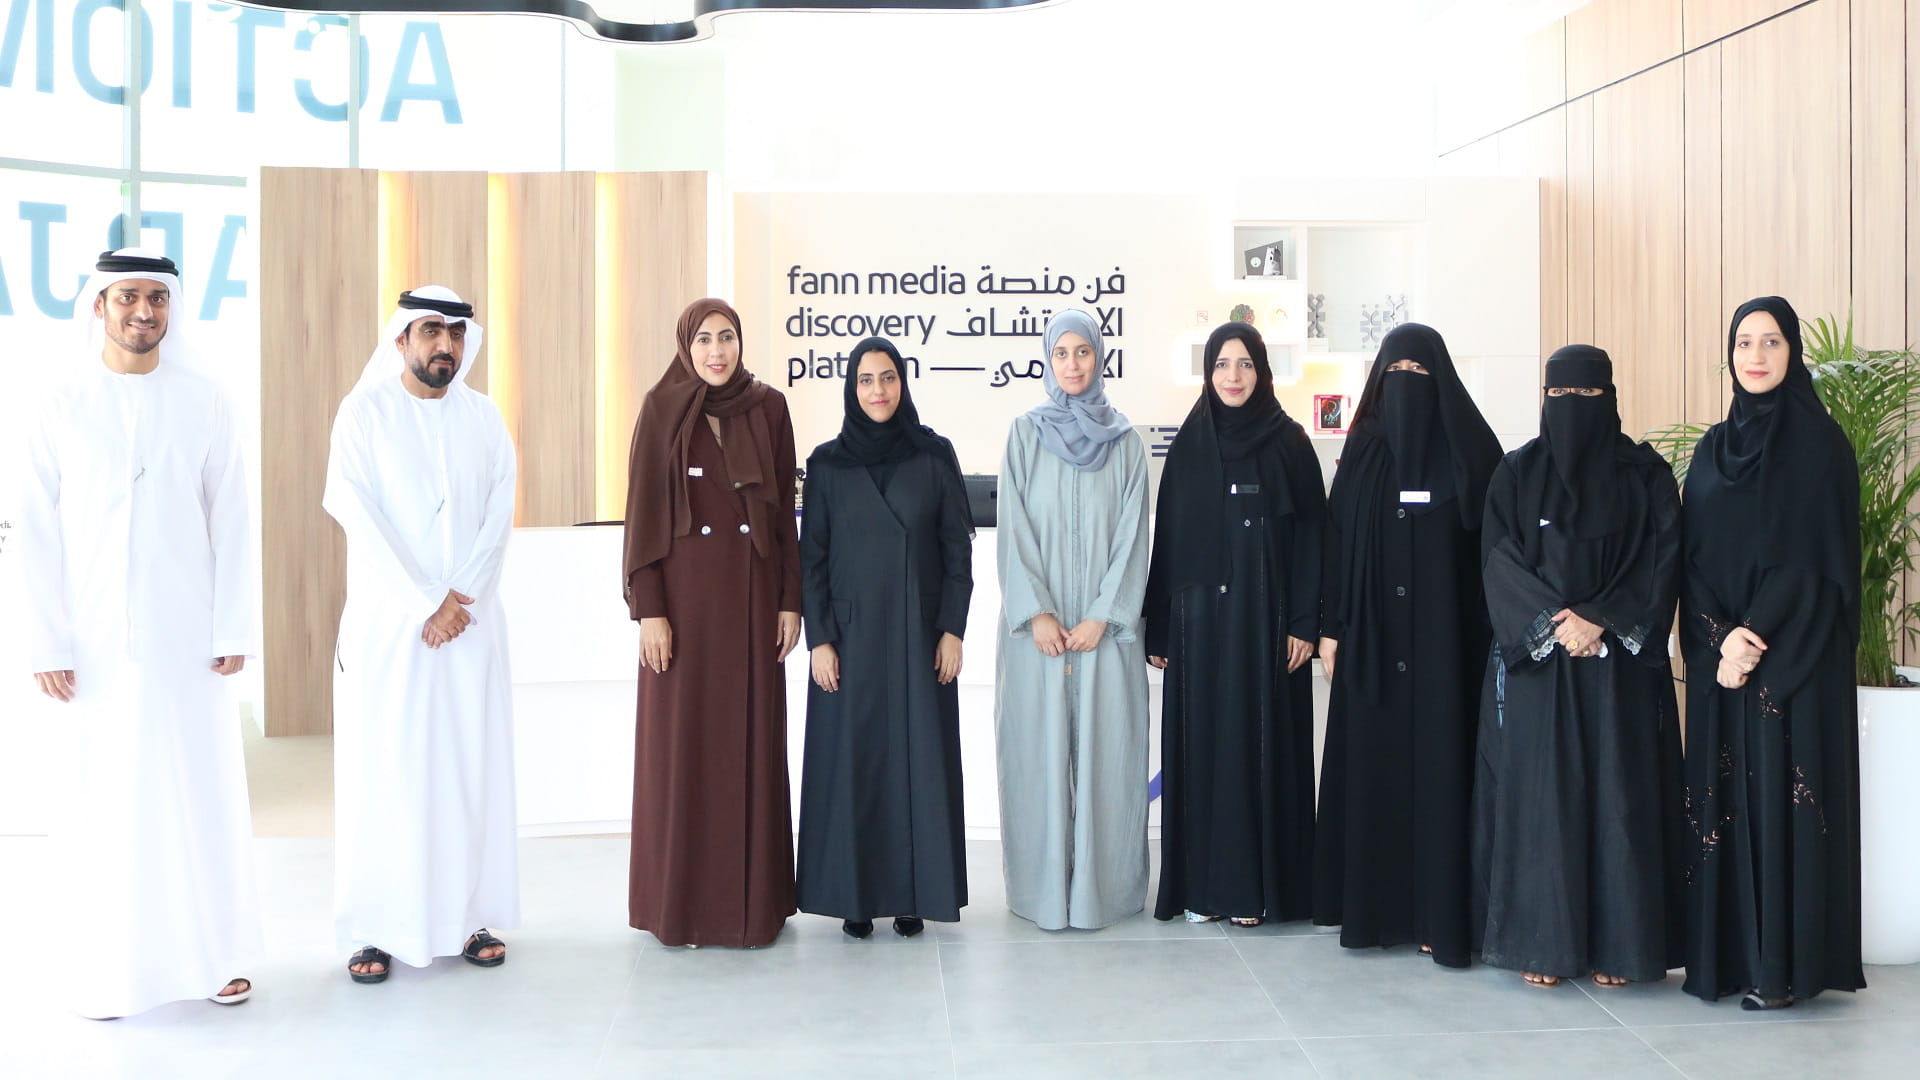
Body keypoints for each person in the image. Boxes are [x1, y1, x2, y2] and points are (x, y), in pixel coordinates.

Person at [18, 249, 259, 1018]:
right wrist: (46, 640)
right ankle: (107, 971)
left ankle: (216, 959)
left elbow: (232, 516)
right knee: (103, 800)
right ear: (99, 305)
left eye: (157, 297)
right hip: (89, 642)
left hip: (188, 638)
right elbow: (33, 529)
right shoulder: (60, 401)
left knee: (197, 794)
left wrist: (233, 624)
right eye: (127, 297)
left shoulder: (204, 399)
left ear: (172, 307)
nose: (143, 311)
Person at [1472, 345, 1685, 989]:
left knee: (1622, 799)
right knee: (1544, 801)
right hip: (1543, 667)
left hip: (1619, 665)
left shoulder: (1645, 475)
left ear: (1611, 399)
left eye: (1588, 396)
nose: (1573, 409)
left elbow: (1662, 557)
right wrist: (1555, 623)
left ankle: (1619, 949)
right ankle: (1544, 945)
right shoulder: (1516, 472)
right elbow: (1498, 558)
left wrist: (1600, 619)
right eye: (1560, 396)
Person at [324, 286, 519, 983]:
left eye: (456, 334)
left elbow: (499, 510)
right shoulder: (364, 413)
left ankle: (467, 918)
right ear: (402, 339)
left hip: (469, 625)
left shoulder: (484, 417)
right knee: (388, 773)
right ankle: (374, 929)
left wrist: (460, 598)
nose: (445, 345)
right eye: (431, 331)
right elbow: (354, 510)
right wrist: (424, 602)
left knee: (466, 770)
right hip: (391, 630)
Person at [1679, 297, 1864, 1010]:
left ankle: (1781, 970)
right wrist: (1717, 637)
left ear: (1793, 353)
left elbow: (1813, 561)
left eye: (1772, 342)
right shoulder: (1711, 449)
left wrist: (1750, 640)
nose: (1754, 356)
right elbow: (1690, 556)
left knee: (1780, 800)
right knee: (1724, 801)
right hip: (1723, 657)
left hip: (1793, 660)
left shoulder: (1820, 445)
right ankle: (1727, 961)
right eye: (1743, 342)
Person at [1312, 323, 1503, 965]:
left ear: (1442, 379)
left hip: (1450, 651)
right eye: (1395, 374)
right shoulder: (1363, 451)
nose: (1407, 385)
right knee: (1375, 775)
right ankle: (1376, 913)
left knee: (1445, 774)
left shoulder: (1473, 452)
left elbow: (1496, 554)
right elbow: (1335, 542)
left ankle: (1439, 916)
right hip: (1371, 646)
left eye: (1420, 374)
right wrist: (1332, 627)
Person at [623, 298, 802, 948]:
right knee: (685, 756)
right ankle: (681, 909)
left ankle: (752, 911)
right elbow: (643, 516)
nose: (717, 351)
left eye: (727, 337)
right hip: (684, 612)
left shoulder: (769, 407)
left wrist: (790, 601)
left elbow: (783, 518)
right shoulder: (660, 408)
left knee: (749, 750)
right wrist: (650, 610)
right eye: (704, 339)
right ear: (686, 345)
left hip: (753, 607)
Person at [1144, 322, 1325, 927]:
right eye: (1222, 364)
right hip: (1198, 624)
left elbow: (1314, 537)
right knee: (1203, 748)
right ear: (1208, 372)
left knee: (1257, 744)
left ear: (1262, 370)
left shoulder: (1290, 442)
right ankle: (1203, 889)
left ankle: (1256, 891)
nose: (1233, 376)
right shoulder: (1190, 443)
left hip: (1265, 621)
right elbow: (1169, 540)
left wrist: (1305, 620)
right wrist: (1160, 628)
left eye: (1244, 363)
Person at [797, 337, 975, 940]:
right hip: (850, 643)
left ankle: (912, 895)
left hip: (921, 639)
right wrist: (820, 639)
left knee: (917, 765)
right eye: (866, 380)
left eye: (889, 377)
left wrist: (952, 629)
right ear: (852, 388)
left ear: (903, 382)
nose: (879, 390)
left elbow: (957, 552)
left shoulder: (933, 455)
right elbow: (811, 560)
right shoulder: (827, 464)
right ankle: (856, 896)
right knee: (857, 767)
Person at [994, 308, 1152, 931]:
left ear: (1099, 357)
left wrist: (1102, 616)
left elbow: (1133, 538)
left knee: (1109, 758)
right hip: (1039, 634)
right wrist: (1037, 612)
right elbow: (1014, 530)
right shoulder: (1024, 435)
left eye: (1082, 351)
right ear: (1047, 360)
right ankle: (1040, 893)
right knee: (1035, 758)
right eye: (1061, 353)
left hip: (1104, 634)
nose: (1073, 364)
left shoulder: (1127, 443)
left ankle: (1102, 894)